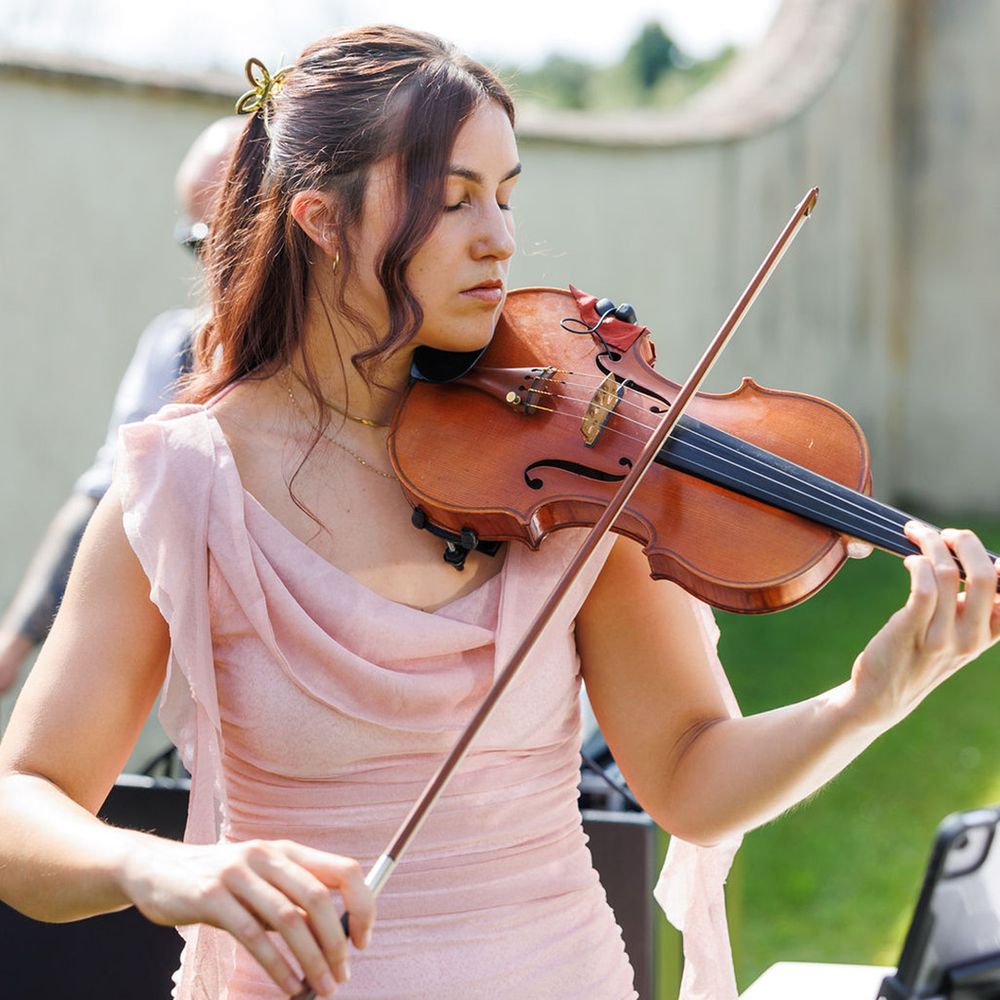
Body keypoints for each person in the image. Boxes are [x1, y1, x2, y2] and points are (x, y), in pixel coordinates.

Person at [0, 24, 996, 1000]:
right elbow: (23, 804)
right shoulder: (181, 484)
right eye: (454, 201)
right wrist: (163, 871)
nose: (501, 239)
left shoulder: (570, 473)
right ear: (320, 217)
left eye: (508, 196)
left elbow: (691, 774)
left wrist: (868, 698)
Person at [0, 116, 243, 696]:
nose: (214, 261)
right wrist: (13, 645)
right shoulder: (177, 345)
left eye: (228, 232)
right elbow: (108, 494)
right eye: (197, 240)